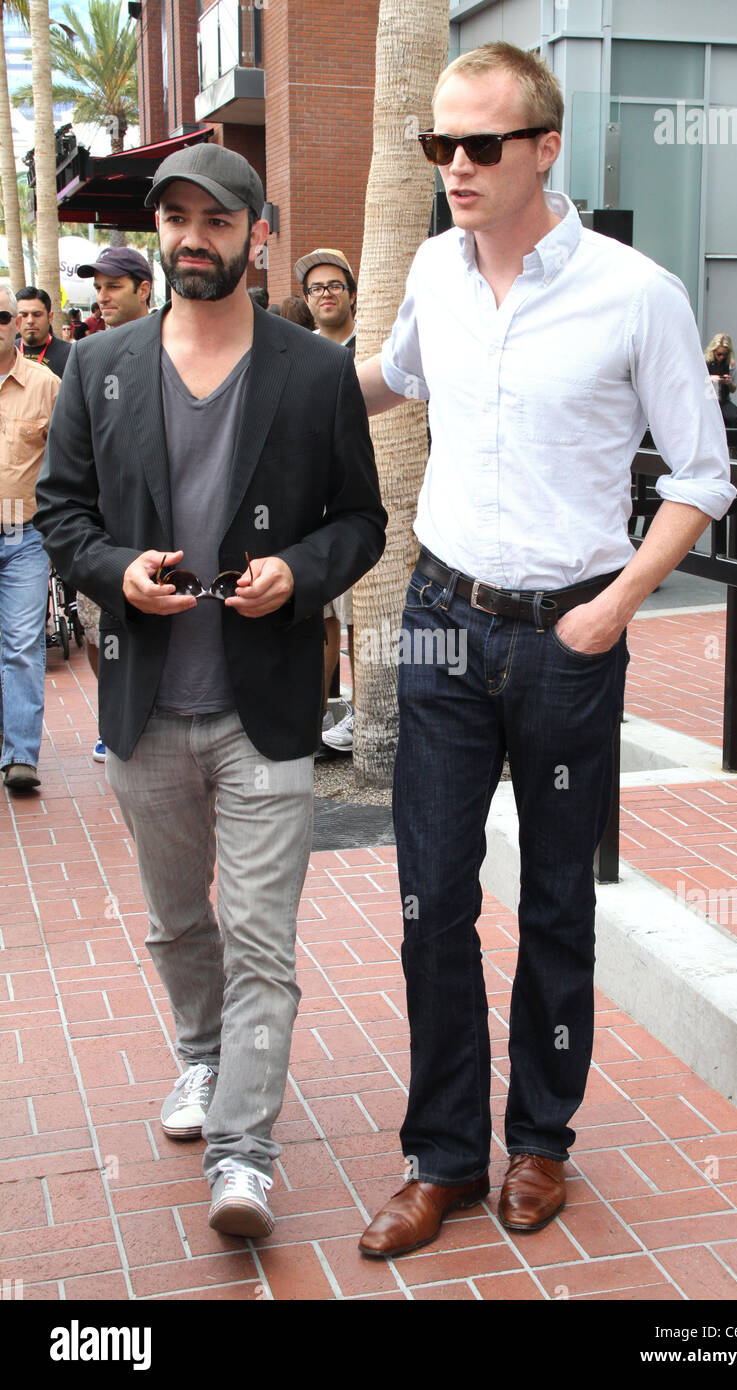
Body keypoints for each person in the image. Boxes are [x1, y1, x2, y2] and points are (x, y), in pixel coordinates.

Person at [354, 42, 735, 1259]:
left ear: (544, 147)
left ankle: (541, 1143)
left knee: (559, 900)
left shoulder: (639, 293)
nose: (455, 166)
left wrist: (614, 606)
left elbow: (701, 479)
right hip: (440, 622)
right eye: (439, 146)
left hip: (574, 633)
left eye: (481, 145)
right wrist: (266, 378)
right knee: (430, 900)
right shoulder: (430, 267)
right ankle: (443, 1155)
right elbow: (398, 376)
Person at [35, 143, 386, 1238]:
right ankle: (198, 1058)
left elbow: (361, 522)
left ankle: (246, 1153)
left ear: (258, 233)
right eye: (175, 217)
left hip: (266, 705)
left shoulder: (315, 372)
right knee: (181, 921)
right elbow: (63, 515)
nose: (194, 236)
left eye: (216, 219)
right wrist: (115, 573)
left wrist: (302, 573)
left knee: (264, 939)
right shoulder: (102, 371)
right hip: (144, 706)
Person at [76, 248, 155, 759]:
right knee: (94, 629)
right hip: (102, 539)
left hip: (153, 537)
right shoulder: (87, 356)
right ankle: (115, 712)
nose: (102, 297)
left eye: (113, 286)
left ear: (143, 288)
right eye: (98, 287)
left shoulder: (166, 353)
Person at [295, 248, 358, 752]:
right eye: (316, 288)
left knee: (363, 616)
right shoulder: (302, 354)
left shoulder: (372, 345)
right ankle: (313, 719)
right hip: (314, 510)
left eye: (334, 284)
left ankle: (365, 713)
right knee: (326, 616)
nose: (326, 294)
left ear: (351, 293)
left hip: (363, 507)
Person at [0, 284, 61, 791]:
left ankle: (21, 756)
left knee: (22, 644)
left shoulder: (46, 385)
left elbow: (69, 461)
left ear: (16, 323)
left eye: (1, 315)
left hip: (26, 537)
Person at [77, 247, 154, 329]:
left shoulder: (165, 339)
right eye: (98, 288)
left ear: (143, 291)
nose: (101, 299)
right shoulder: (98, 341)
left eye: (113, 287)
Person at [15, 287, 72, 378]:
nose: (30, 320)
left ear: (50, 317)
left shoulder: (70, 354)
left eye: (37, 315)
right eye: (24, 315)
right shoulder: (7, 352)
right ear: (16, 319)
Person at [704, 333, 737, 427]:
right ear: (713, 351)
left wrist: (729, 382)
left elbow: (733, 389)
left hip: (724, 400)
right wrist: (710, 379)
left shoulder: (730, 364)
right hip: (707, 399)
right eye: (719, 354)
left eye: (725, 354)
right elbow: (695, 383)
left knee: (734, 417)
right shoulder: (704, 362)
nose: (722, 357)